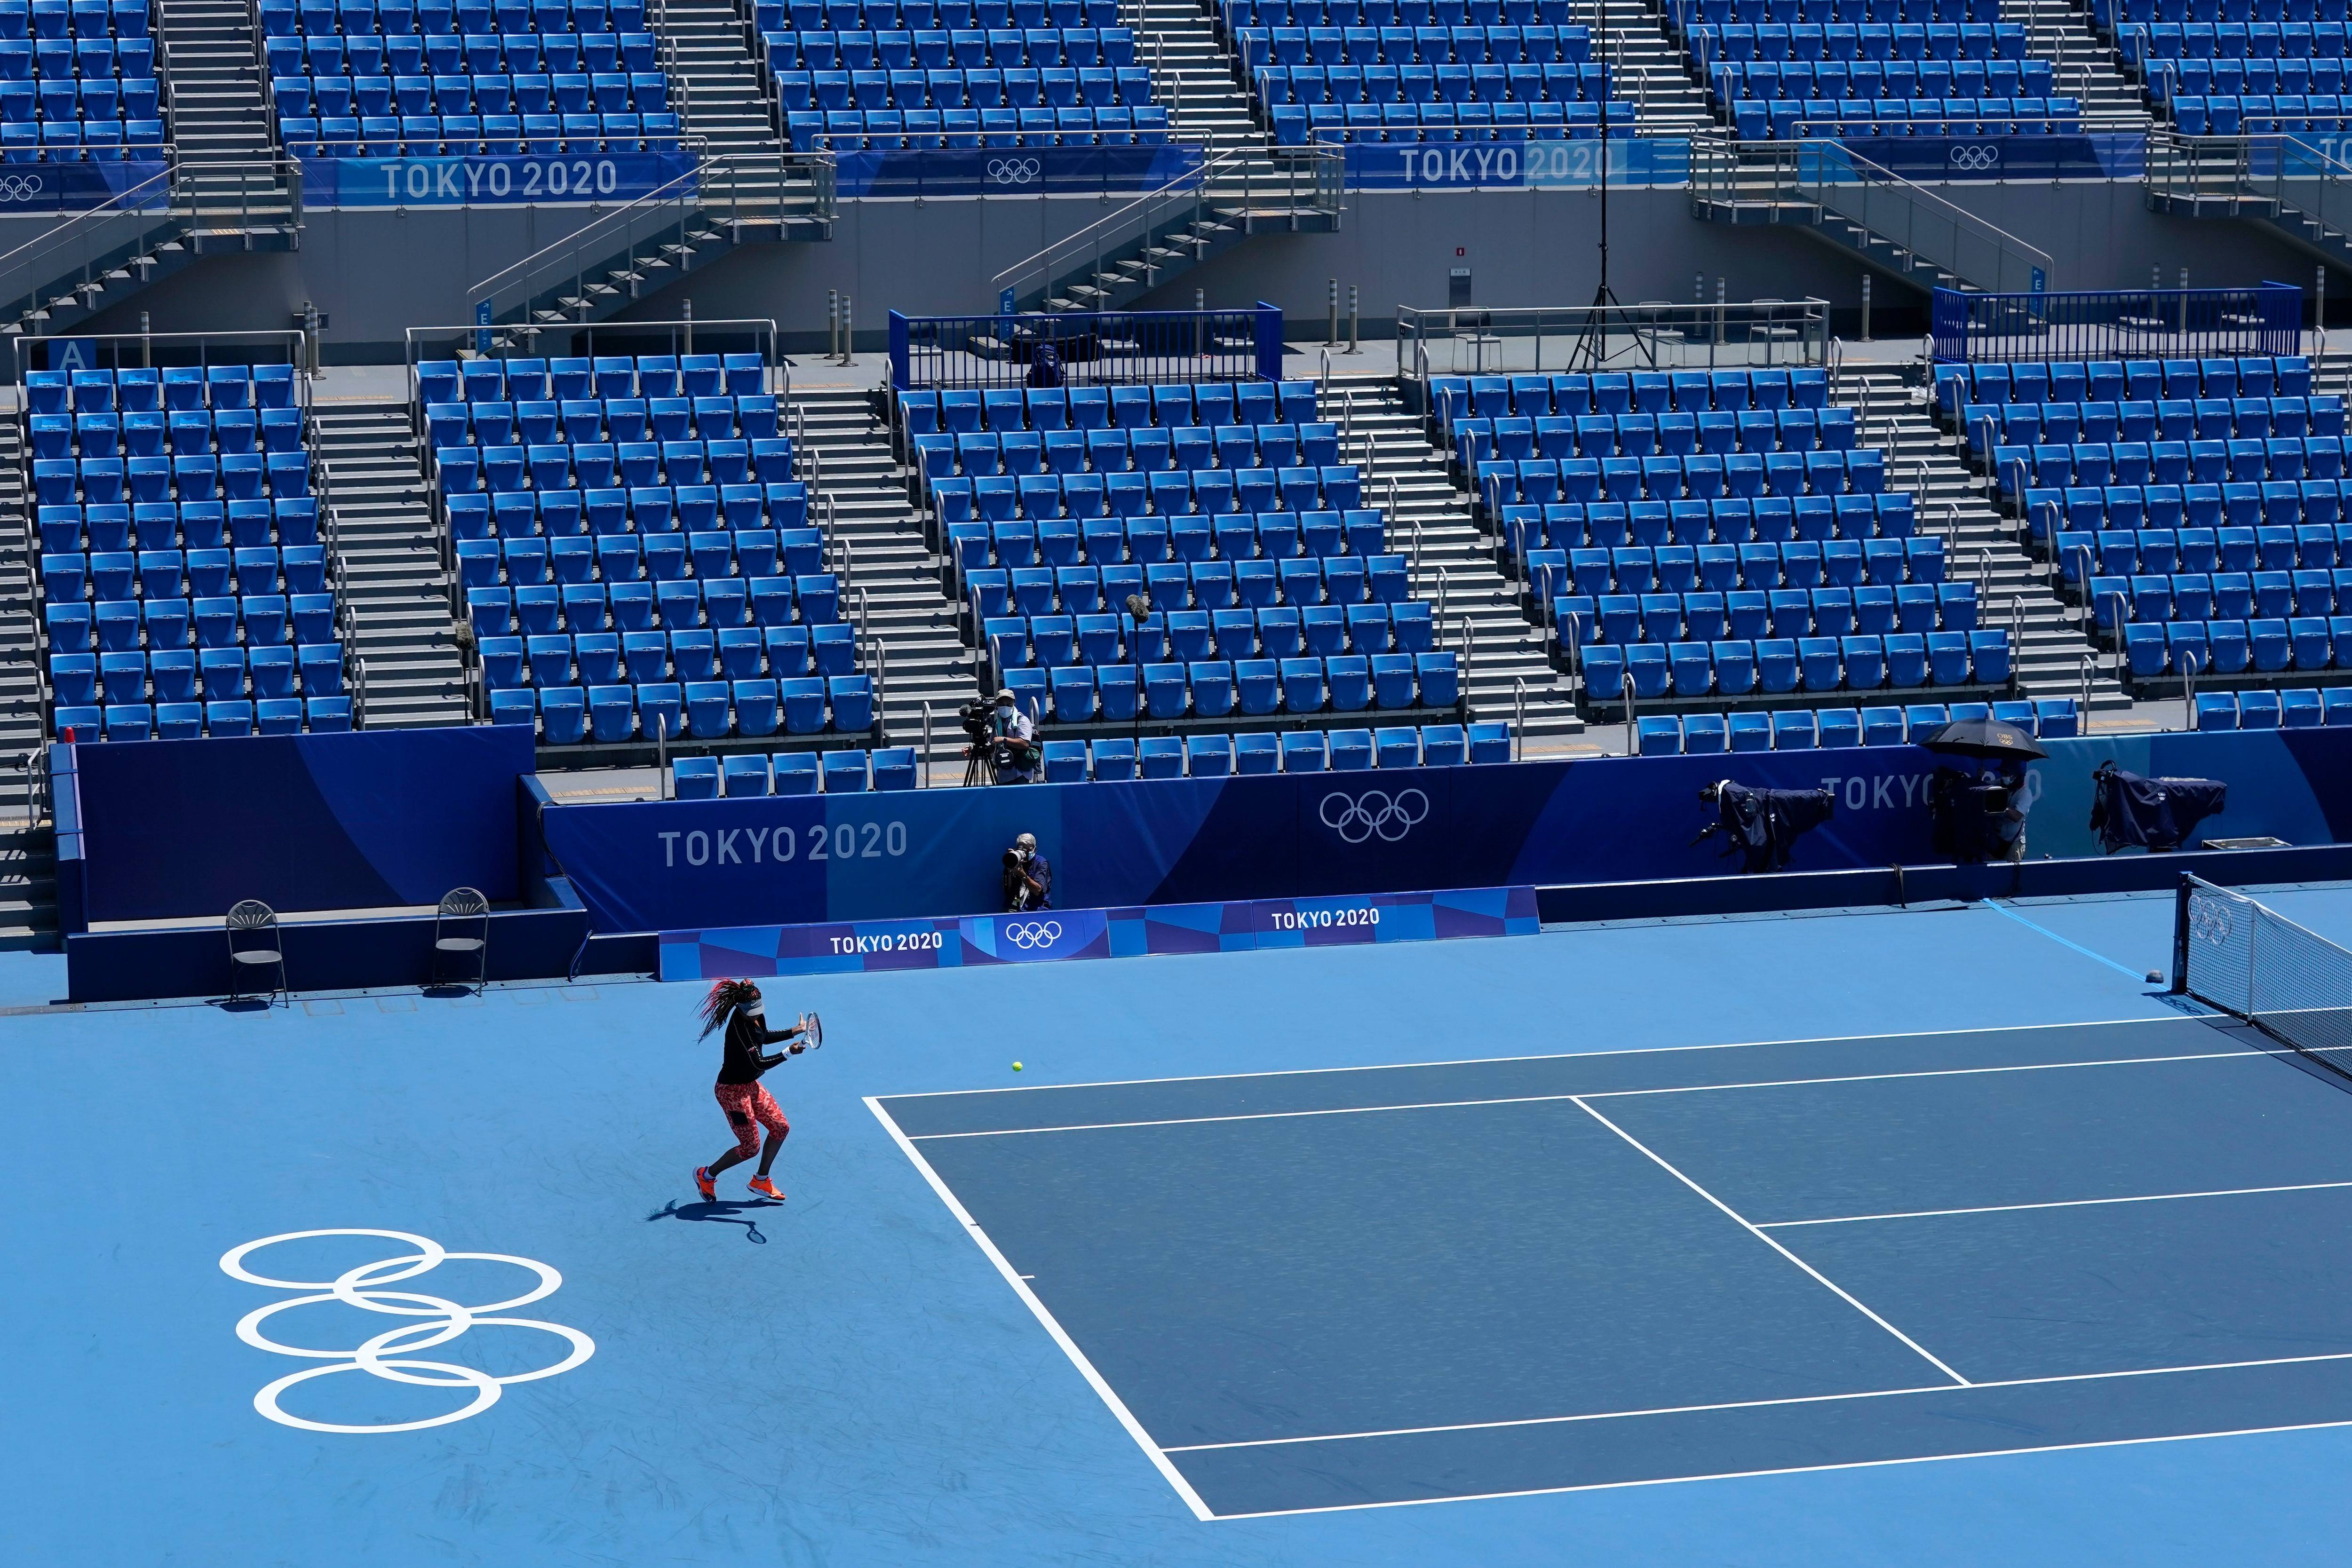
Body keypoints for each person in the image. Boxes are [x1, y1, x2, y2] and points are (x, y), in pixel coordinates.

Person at [693, 978, 812, 1203]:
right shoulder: (740, 1030)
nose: (756, 1015)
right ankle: (706, 1175)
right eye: (751, 1012)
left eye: (758, 1009)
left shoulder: (755, 1016)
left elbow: (763, 1036)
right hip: (732, 1094)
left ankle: (761, 1180)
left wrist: (794, 1031)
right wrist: (789, 1052)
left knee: (780, 1128)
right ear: (739, 1008)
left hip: (751, 1086)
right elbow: (759, 1064)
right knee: (750, 1148)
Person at [1002, 832, 1052, 911]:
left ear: (1034, 850)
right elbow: (1007, 889)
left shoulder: (1041, 863)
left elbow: (1037, 890)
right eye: (1021, 850)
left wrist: (1023, 875)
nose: (1024, 853)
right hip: (1015, 907)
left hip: (1036, 909)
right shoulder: (1015, 862)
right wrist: (1011, 864)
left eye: (1027, 850)